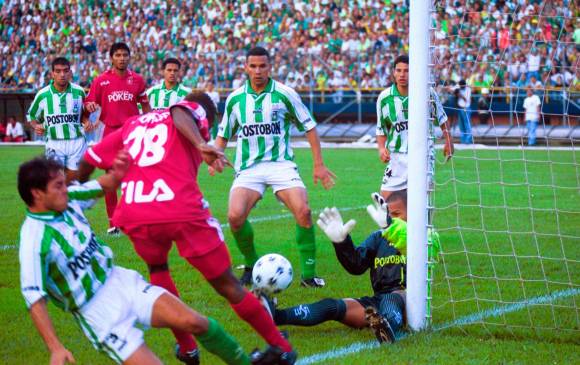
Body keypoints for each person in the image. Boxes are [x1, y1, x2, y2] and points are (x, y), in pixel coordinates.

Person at [80, 92, 297, 365]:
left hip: (136, 212)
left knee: (158, 270)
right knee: (228, 284)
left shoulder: (135, 123)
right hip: (180, 209)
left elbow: (89, 157)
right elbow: (179, 112)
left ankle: (188, 349)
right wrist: (201, 142)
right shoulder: (190, 110)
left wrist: (68, 191)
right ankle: (281, 346)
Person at [17, 156, 253, 365]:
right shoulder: (34, 240)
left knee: (195, 322)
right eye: (58, 186)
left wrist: (119, 172)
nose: (65, 189)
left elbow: (103, 185)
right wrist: (56, 348)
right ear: (37, 193)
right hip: (99, 313)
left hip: (121, 281)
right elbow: (34, 298)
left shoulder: (69, 199)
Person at [212, 46, 336, 288]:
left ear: (270, 67)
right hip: (249, 168)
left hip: (281, 165)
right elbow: (223, 133)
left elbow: (309, 126)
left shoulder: (285, 94)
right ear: (246, 67)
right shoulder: (236, 99)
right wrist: (215, 156)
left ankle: (309, 276)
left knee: (303, 211)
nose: (258, 71)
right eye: (253, 66)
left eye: (263, 66)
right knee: (235, 217)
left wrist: (318, 165)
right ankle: (250, 265)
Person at [264, 191, 409, 344]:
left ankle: (387, 328)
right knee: (332, 306)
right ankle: (276, 316)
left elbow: (421, 251)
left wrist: (392, 228)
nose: (390, 220)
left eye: (396, 214)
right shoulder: (378, 237)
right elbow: (356, 266)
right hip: (377, 302)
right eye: (388, 215)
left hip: (407, 301)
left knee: (391, 298)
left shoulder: (423, 238)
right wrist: (341, 242)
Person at [84, 42, 151, 236]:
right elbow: (90, 101)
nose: (122, 58)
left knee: (135, 178)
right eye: (118, 55)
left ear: (129, 57)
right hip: (110, 135)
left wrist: (151, 123)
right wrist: (89, 108)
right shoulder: (101, 81)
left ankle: (134, 218)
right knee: (111, 179)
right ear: (111, 58)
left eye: (125, 55)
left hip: (132, 134)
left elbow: (145, 106)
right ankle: (113, 223)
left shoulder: (137, 80)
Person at [375, 55, 454, 200]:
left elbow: (442, 119)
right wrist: (381, 148)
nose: (402, 74)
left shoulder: (427, 93)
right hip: (397, 157)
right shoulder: (384, 98)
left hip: (423, 154)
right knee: (386, 200)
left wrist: (449, 141)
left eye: (406, 71)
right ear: (393, 72)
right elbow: (381, 128)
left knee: (420, 202)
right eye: (398, 70)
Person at [27, 57, 93, 184]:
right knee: (55, 181)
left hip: (77, 142)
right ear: (52, 73)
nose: (62, 74)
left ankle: (71, 203)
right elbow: (31, 116)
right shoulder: (43, 94)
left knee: (74, 182)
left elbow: (83, 114)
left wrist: (86, 122)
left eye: (65, 71)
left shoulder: (79, 92)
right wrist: (36, 126)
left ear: (70, 73)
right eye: (58, 71)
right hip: (54, 143)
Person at [455, 79, 473, 144]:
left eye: (461, 85)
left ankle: (468, 140)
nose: (460, 86)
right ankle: (463, 140)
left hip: (466, 108)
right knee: (461, 125)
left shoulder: (468, 90)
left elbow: (466, 99)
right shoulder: (458, 89)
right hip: (459, 108)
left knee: (467, 124)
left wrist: (461, 95)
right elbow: (452, 90)